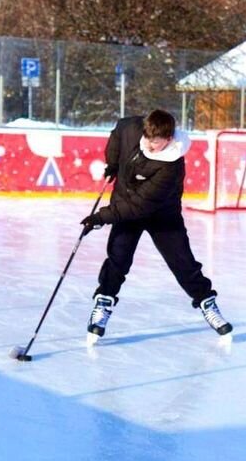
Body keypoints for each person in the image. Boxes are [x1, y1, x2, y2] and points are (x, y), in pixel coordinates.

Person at [80, 109, 233, 346]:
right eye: (148, 139)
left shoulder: (171, 168)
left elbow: (139, 206)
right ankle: (103, 303)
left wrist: (99, 217)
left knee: (183, 263)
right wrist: (113, 163)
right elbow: (119, 130)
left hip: (161, 214)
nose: (150, 145)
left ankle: (207, 303)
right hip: (124, 203)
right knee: (118, 258)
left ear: (170, 138)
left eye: (157, 143)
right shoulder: (134, 129)